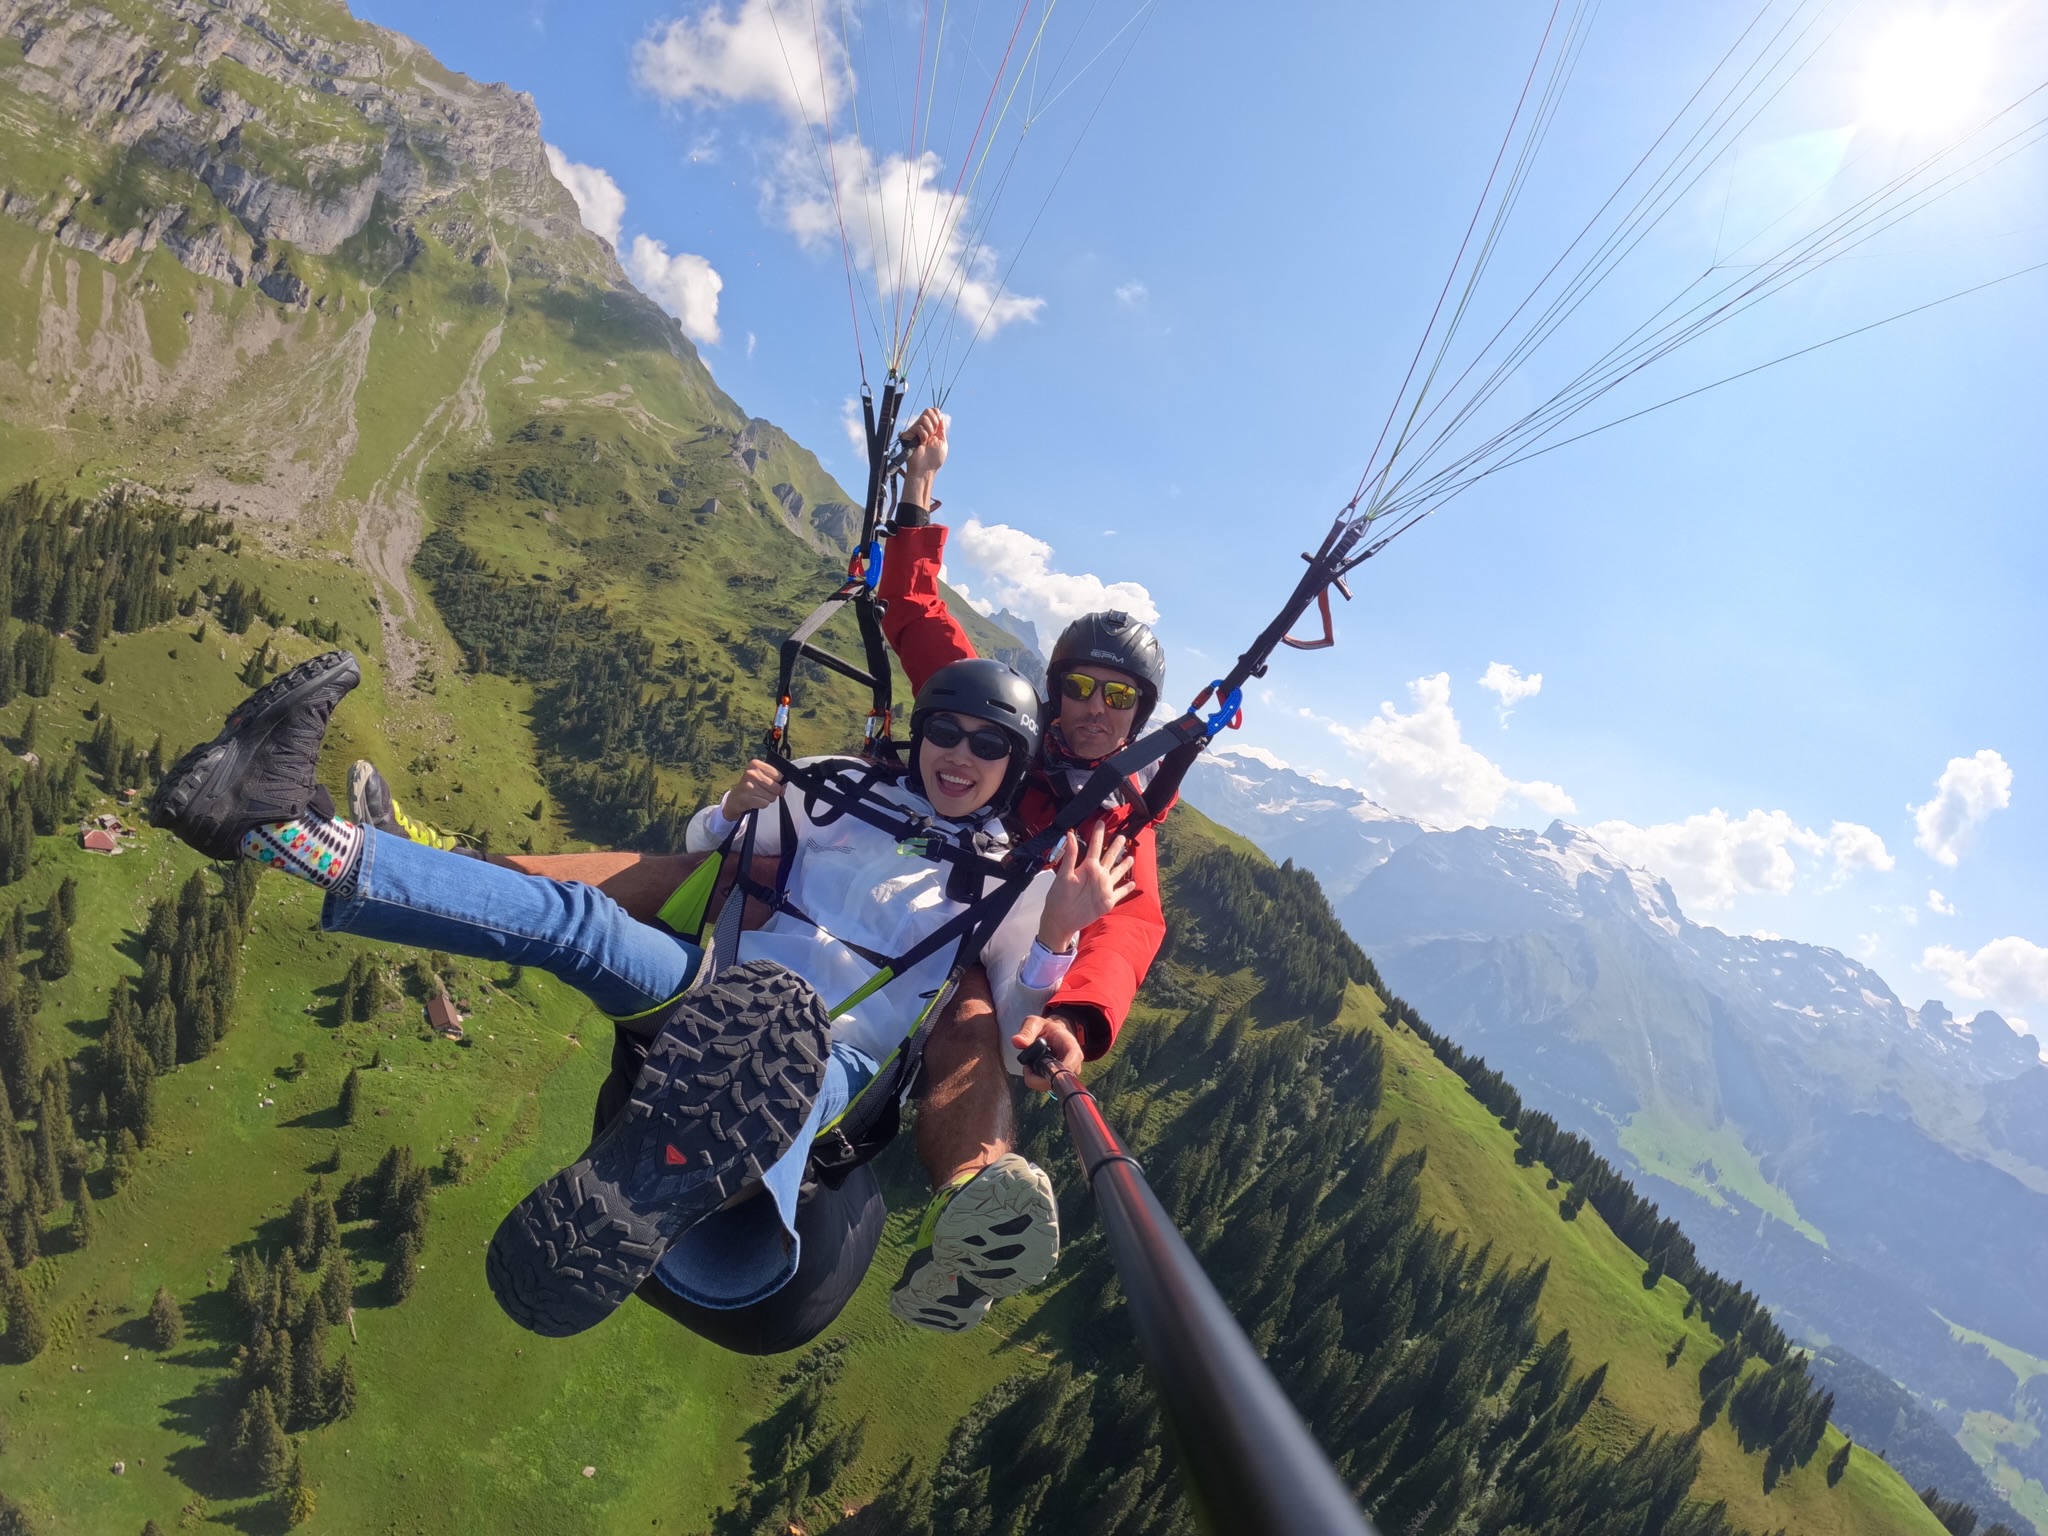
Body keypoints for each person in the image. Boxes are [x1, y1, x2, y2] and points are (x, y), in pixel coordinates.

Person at [348, 409, 1179, 1330]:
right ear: (1051, 692)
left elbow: (1129, 928)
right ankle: (367, 856)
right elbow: (912, 616)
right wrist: (919, 490)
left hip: (926, 972)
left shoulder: (1106, 829)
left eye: (1120, 698)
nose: (1096, 709)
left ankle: (970, 1201)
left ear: (1138, 717)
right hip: (761, 954)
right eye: (1082, 688)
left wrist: (1073, 1006)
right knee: (662, 884)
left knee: (966, 1017)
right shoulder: (928, 747)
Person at [149, 650, 1132, 1349]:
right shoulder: (833, 786)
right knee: (581, 927)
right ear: (918, 734)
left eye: (988, 746)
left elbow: (1005, 1018)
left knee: (784, 1096)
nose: (957, 755)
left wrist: (1057, 935)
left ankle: (710, 1196)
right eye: (944, 732)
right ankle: (288, 836)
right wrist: (732, 810)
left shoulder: (1014, 878)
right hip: (724, 991)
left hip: (836, 1055)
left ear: (1012, 767)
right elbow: (709, 854)